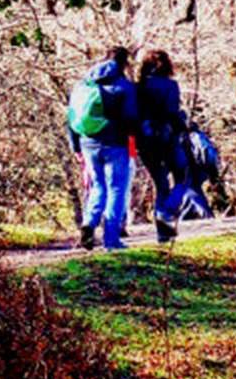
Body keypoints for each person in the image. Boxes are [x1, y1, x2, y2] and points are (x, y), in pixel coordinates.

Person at [67, 46, 140, 250]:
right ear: (124, 63)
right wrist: (134, 142)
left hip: (87, 142)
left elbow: (71, 117)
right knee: (117, 188)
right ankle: (111, 240)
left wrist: (76, 147)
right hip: (115, 144)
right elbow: (131, 119)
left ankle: (89, 223)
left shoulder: (83, 84)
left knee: (98, 186)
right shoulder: (124, 87)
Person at [137, 49, 209, 242]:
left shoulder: (138, 87)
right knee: (182, 176)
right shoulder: (170, 85)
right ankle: (167, 211)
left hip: (144, 141)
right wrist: (183, 127)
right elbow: (171, 112)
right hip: (166, 138)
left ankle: (163, 228)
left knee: (160, 183)